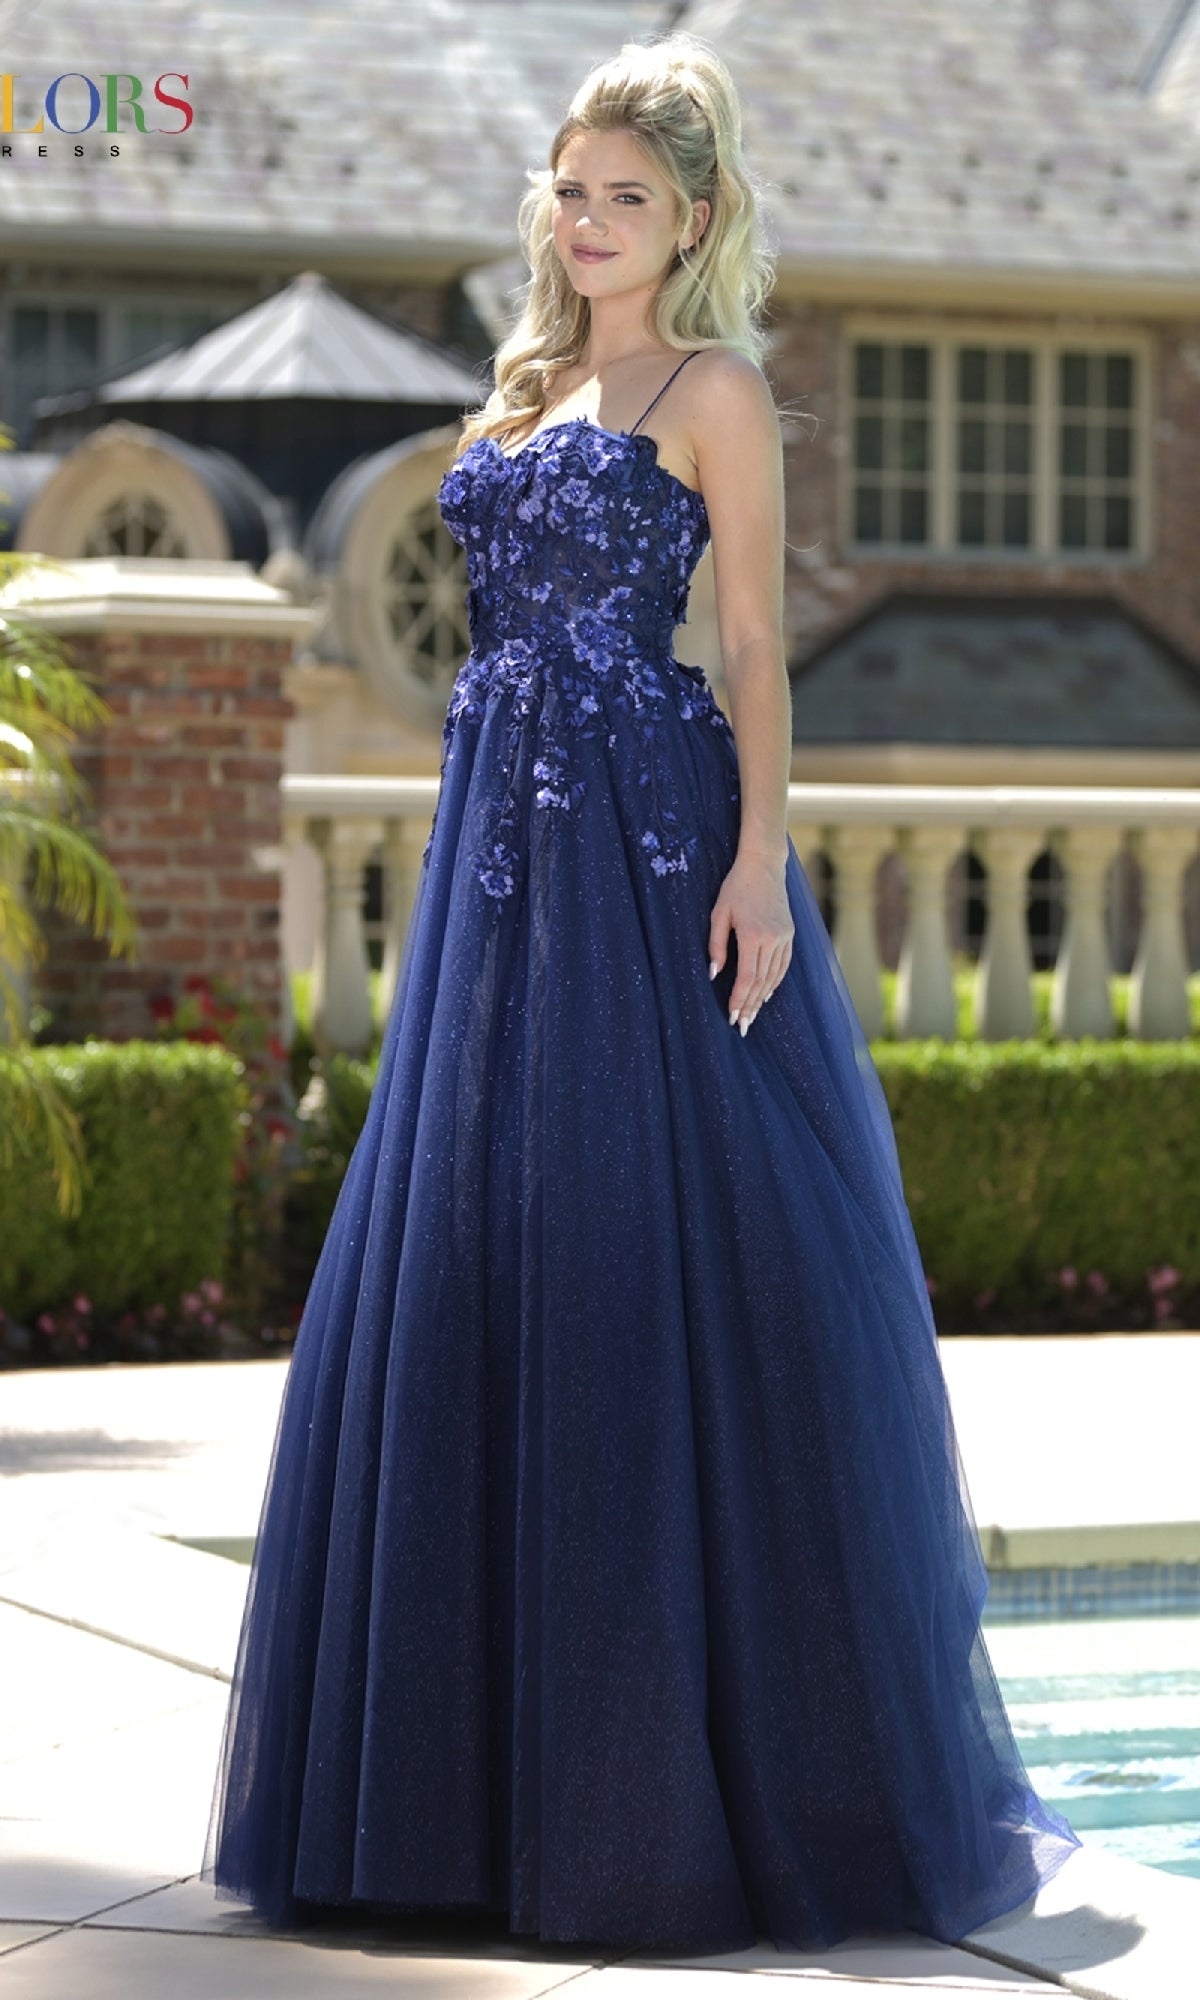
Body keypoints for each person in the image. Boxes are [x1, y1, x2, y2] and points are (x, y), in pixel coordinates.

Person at [202, 30, 1080, 1957]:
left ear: (694, 216)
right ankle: (448, 1799)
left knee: (648, 1240)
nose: (589, 222)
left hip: (643, 830)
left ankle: (689, 1793)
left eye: (627, 197)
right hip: (494, 848)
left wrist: (760, 852)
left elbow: (758, 645)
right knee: (482, 1233)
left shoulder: (716, 391)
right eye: (570, 190)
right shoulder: (521, 385)